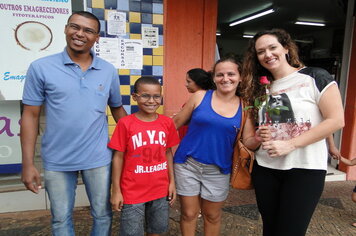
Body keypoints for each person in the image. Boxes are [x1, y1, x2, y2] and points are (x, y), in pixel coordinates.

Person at [20, 11, 127, 236]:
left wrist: (137, 140)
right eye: (75, 27)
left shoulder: (108, 70)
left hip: (98, 157)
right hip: (57, 159)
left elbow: (116, 108)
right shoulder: (41, 67)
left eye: (88, 30)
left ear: (97, 38)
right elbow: (29, 115)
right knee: (60, 218)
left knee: (102, 214)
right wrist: (28, 163)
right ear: (66, 29)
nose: (80, 34)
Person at [243, 28, 344, 236]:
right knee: (270, 229)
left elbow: (336, 120)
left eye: (273, 48)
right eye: (261, 51)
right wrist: (261, 136)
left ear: (287, 48)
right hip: (266, 168)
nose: (267, 55)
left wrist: (290, 144)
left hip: (305, 169)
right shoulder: (262, 88)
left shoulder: (315, 77)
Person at [173, 57, 260, 236]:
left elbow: (249, 141)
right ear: (213, 78)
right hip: (187, 164)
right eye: (220, 74)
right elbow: (174, 123)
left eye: (231, 74)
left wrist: (260, 137)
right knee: (189, 213)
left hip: (219, 169)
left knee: (212, 215)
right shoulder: (199, 96)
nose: (225, 78)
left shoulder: (246, 107)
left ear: (240, 77)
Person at [108, 76, 180, 236]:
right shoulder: (125, 123)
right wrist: (116, 190)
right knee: (132, 232)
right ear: (135, 97)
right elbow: (118, 157)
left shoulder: (167, 123)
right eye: (146, 95)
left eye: (156, 96)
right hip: (132, 191)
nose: (151, 101)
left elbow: (168, 152)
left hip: (160, 189)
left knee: (157, 230)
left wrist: (172, 183)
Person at [178, 68, 215, 139]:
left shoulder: (204, 100)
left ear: (198, 82)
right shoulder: (202, 98)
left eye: (189, 82)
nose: (186, 85)